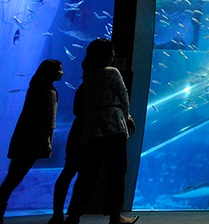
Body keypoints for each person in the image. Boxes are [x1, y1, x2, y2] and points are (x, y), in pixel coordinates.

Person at [64, 38, 138, 224]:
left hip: (91, 128)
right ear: (108, 54)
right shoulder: (112, 72)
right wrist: (127, 117)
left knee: (87, 174)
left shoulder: (88, 74)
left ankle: (74, 215)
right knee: (117, 172)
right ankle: (115, 216)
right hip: (113, 124)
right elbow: (123, 97)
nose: (114, 54)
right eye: (112, 51)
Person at [0, 59, 63, 224]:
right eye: (59, 70)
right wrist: (47, 141)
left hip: (22, 137)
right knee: (14, 178)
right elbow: (48, 120)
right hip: (33, 141)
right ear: (51, 72)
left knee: (12, 178)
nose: (61, 73)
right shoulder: (49, 92)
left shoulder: (34, 88)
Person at [47, 83, 85, 224]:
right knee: (81, 176)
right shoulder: (88, 86)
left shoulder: (82, 86)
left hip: (77, 133)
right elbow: (77, 110)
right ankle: (72, 215)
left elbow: (76, 110)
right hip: (85, 134)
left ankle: (59, 214)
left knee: (68, 173)